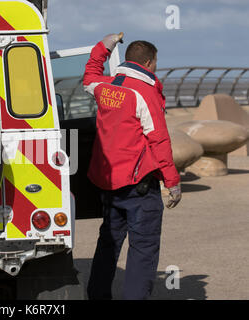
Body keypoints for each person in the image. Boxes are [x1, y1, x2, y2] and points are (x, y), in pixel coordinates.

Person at [84, 34, 182, 300]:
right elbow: (159, 141)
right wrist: (172, 182)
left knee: (108, 243)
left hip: (108, 183)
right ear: (148, 63)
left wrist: (104, 46)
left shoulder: (105, 86)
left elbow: (90, 73)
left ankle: (97, 295)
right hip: (139, 187)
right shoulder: (145, 93)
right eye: (156, 63)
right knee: (142, 250)